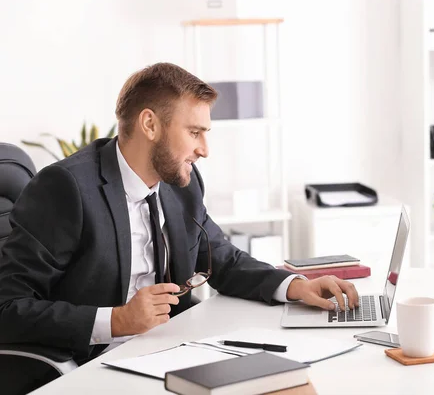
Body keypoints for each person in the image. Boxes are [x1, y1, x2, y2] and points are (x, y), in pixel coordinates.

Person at [0, 62, 359, 391]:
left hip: (172, 349)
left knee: (291, 382)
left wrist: (295, 286)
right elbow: (7, 307)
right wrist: (118, 320)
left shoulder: (180, 183)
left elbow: (220, 256)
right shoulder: (67, 188)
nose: (204, 149)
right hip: (96, 363)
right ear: (150, 124)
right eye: (194, 132)